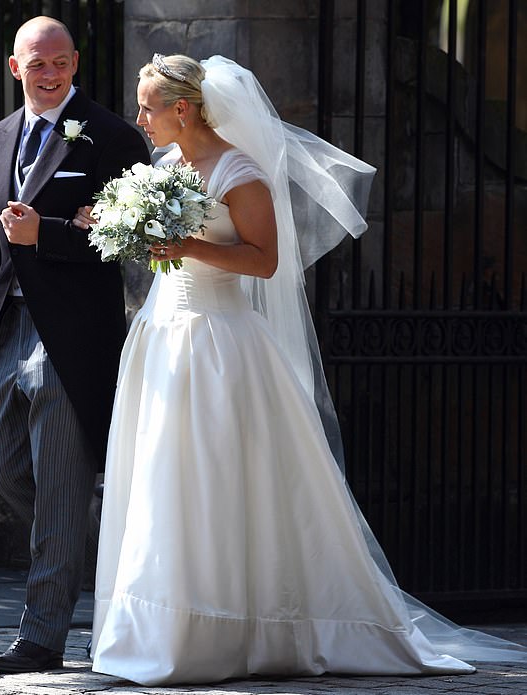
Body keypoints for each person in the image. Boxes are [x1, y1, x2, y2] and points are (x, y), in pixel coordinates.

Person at [74, 54, 527, 686]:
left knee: (219, 479)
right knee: (161, 479)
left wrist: (186, 246)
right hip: (162, 335)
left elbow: (264, 261)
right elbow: (154, 247)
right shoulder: (164, 168)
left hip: (218, 343)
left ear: (183, 109)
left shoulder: (239, 170)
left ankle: (234, 632)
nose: (140, 118)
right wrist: (117, 227)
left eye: (148, 106)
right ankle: (162, 632)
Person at [0, 16, 150, 675]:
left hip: (74, 335)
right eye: (38, 64)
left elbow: (132, 241)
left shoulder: (114, 136)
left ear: (76, 62)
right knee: (7, 469)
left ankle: (42, 638)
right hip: (9, 334)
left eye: (61, 62)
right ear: (15, 68)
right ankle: (102, 538)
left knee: (59, 484)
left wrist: (51, 234)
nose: (51, 72)